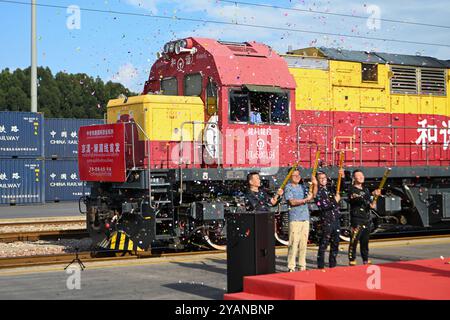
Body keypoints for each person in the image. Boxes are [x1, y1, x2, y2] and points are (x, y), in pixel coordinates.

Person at [347, 169, 381, 266]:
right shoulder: (351, 189)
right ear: (354, 178)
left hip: (366, 218)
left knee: (365, 241)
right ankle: (352, 259)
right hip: (357, 218)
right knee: (354, 239)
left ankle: (365, 259)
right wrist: (371, 194)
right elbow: (357, 198)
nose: (361, 177)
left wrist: (373, 201)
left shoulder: (365, 189)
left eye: (362, 175)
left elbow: (370, 204)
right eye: (359, 176)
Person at [285, 169, 315, 272]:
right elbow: (292, 202)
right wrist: (305, 200)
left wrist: (315, 184)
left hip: (305, 218)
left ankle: (302, 266)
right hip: (295, 219)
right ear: (290, 177)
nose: (297, 177)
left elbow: (312, 195)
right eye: (294, 175)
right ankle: (291, 267)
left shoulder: (303, 187)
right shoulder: (288, 187)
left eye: (298, 175)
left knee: (303, 244)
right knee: (293, 243)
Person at [312, 171, 343, 269]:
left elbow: (341, 188)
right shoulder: (317, 192)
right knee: (323, 244)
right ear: (317, 180)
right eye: (320, 178)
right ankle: (320, 266)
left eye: (324, 177)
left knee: (335, 243)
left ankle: (332, 265)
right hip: (326, 220)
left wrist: (342, 177)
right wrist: (335, 201)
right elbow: (323, 206)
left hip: (336, 220)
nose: (323, 179)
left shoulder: (330, 189)